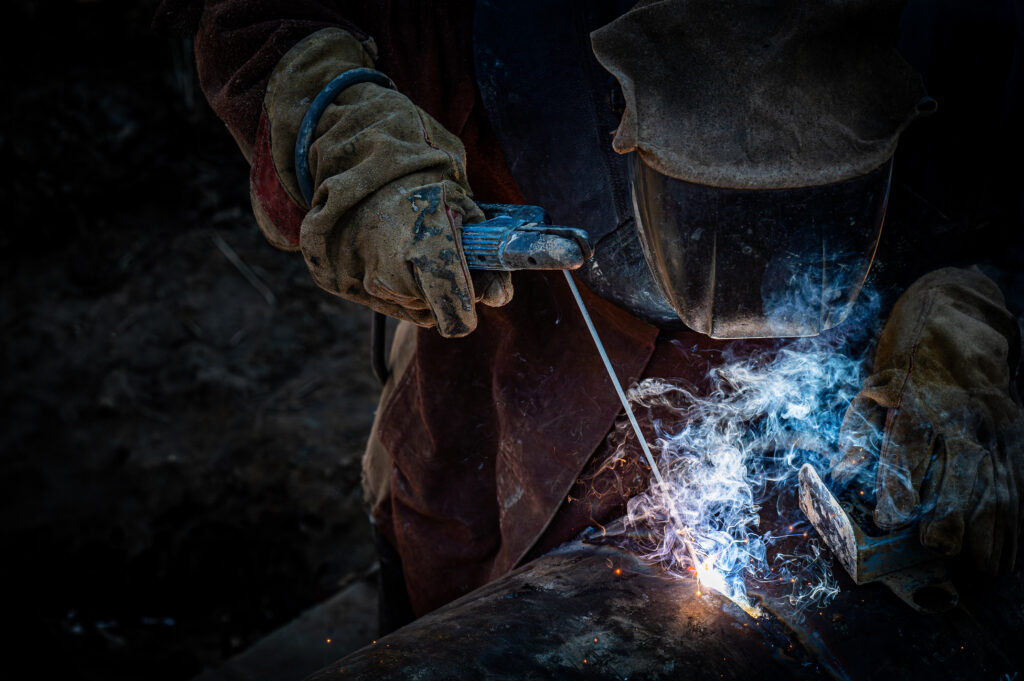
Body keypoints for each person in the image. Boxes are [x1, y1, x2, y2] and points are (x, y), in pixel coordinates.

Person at [156, 0, 1024, 628]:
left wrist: (976, 300)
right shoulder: (509, 24)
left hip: (825, 483)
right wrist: (345, 133)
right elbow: (262, 24)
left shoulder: (973, 36)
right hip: (498, 447)